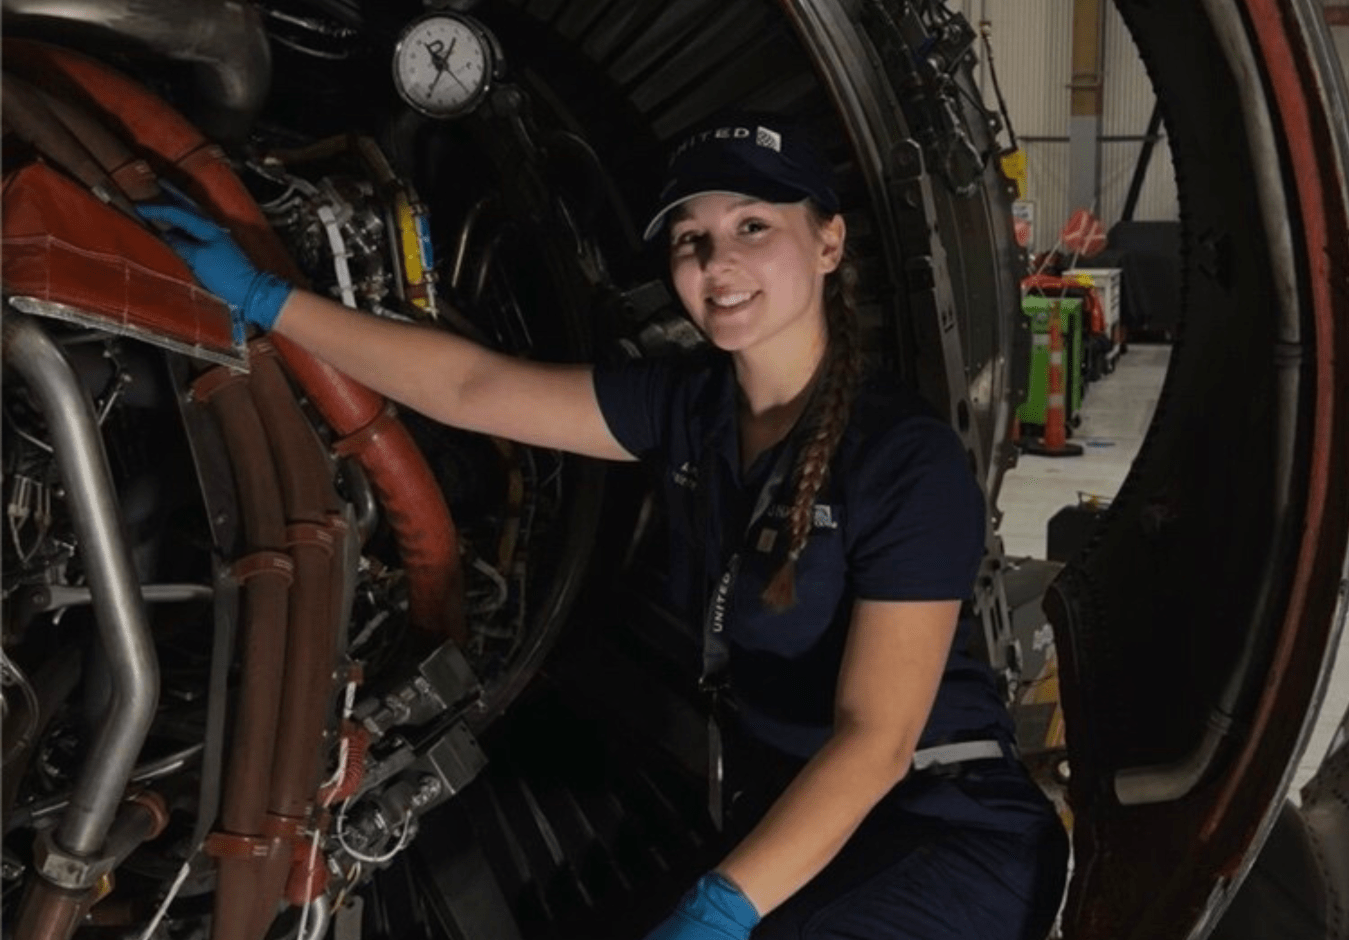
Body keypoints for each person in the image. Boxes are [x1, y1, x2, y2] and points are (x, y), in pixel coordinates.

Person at [139, 111, 1069, 940]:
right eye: (692, 238)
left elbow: (876, 739)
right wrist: (267, 300)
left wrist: (723, 909)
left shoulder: (903, 460)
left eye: (754, 226)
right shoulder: (690, 412)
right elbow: (473, 387)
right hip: (788, 831)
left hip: (937, 832)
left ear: (827, 243)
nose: (717, 262)